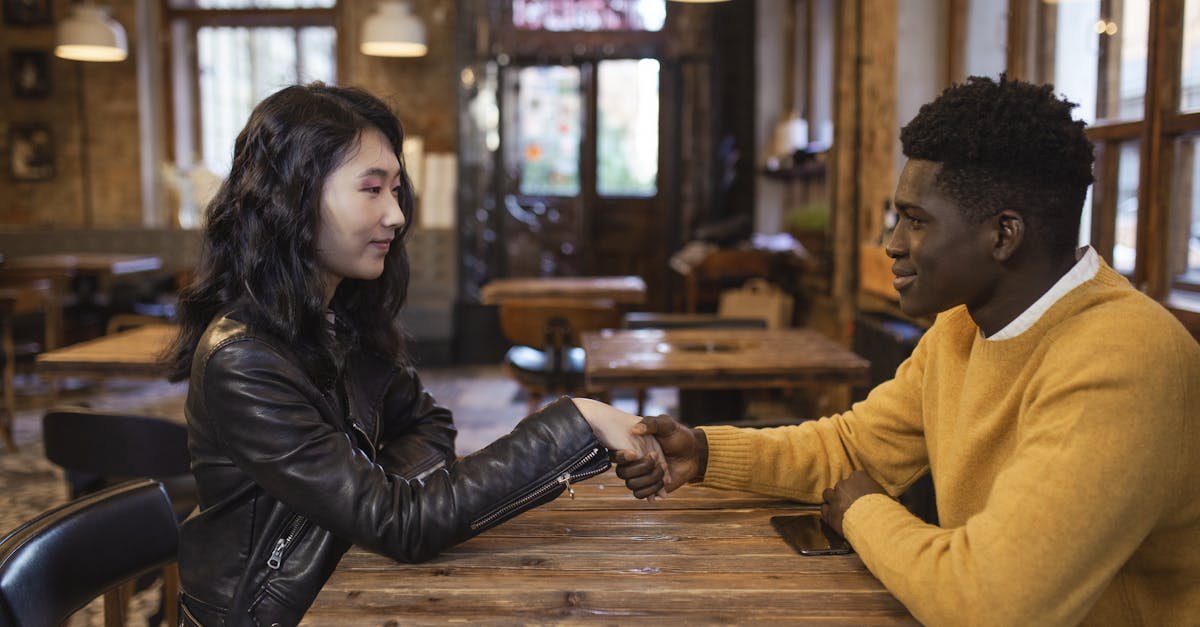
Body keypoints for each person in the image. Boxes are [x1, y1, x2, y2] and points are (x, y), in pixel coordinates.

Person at [609, 75, 1200, 625]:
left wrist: (864, 511)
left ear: (1003, 234)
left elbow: (992, 602)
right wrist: (706, 453)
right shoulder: (962, 329)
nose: (893, 245)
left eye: (916, 220)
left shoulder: (1125, 357)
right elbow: (852, 447)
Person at [165, 82, 661, 625]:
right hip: (266, 611)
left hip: (342, 580)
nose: (396, 215)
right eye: (372, 190)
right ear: (292, 200)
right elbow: (406, 526)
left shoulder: (335, 319)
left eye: (396, 190)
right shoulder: (244, 360)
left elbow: (428, 424)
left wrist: (371, 496)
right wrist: (578, 420)